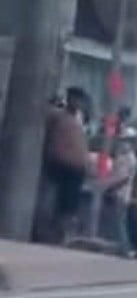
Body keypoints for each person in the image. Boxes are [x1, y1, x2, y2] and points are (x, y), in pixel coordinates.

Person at [43, 87, 92, 243]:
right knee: (59, 202)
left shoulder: (79, 119)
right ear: (69, 99)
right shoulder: (57, 115)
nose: (78, 103)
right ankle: (52, 233)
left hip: (77, 168)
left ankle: (62, 235)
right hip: (61, 164)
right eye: (75, 98)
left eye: (80, 100)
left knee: (69, 205)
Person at [104, 137, 137, 257]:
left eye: (126, 141)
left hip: (121, 193)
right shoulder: (123, 156)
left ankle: (124, 248)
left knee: (120, 223)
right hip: (119, 192)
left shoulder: (129, 158)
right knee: (118, 222)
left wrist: (111, 187)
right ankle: (121, 247)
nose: (123, 143)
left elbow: (123, 178)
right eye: (122, 140)